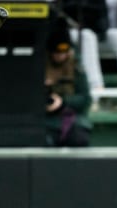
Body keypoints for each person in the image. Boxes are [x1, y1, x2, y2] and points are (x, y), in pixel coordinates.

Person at [61, 0, 117, 112]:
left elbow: (102, 18)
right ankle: (98, 95)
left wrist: (99, 29)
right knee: (88, 36)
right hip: (68, 35)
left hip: (96, 34)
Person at [45, 18, 93, 147]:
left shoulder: (76, 67)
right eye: (57, 52)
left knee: (79, 138)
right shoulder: (41, 66)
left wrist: (63, 102)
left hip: (71, 118)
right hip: (46, 121)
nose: (61, 56)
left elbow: (85, 98)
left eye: (64, 52)